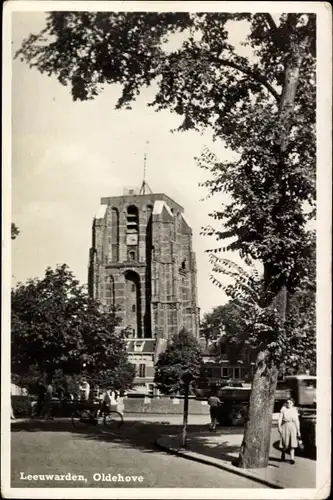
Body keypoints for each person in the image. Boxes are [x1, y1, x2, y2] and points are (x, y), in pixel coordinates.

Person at [278, 398, 301, 464]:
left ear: (293, 403)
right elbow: (280, 419)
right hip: (285, 426)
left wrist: (298, 430)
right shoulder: (283, 409)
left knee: (292, 443)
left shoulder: (294, 410)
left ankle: (292, 458)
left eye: (290, 403)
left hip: (293, 426)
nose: (289, 404)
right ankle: (283, 452)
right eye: (288, 402)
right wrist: (279, 427)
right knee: (285, 443)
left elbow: (297, 421)